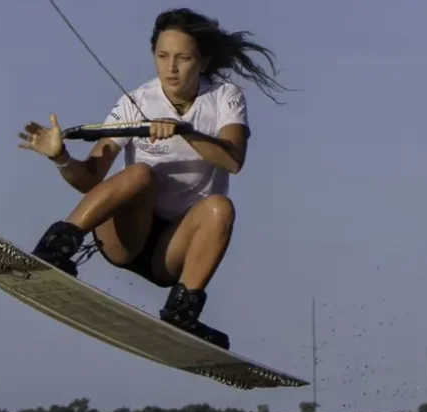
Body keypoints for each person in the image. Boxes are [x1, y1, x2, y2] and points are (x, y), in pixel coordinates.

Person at [17, 7, 287, 350]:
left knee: (220, 207)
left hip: (171, 252)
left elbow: (233, 160)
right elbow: (91, 180)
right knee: (140, 175)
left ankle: (183, 310)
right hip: (124, 236)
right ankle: (55, 248)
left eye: (183, 58)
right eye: (162, 56)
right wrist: (60, 157)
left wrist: (185, 132)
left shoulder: (224, 98)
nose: (171, 68)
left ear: (202, 62)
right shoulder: (136, 101)